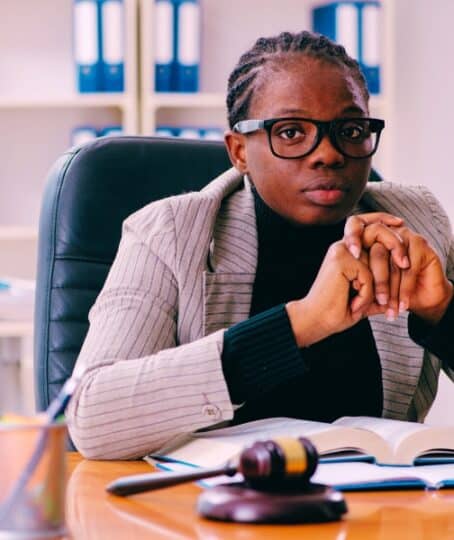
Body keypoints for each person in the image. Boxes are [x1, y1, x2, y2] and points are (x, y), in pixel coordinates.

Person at [67, 31, 454, 460]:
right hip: (210, 510)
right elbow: (92, 419)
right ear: (239, 151)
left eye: (349, 129)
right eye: (290, 132)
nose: (328, 154)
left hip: (383, 509)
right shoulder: (170, 232)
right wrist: (301, 324)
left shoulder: (416, 222)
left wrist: (444, 312)